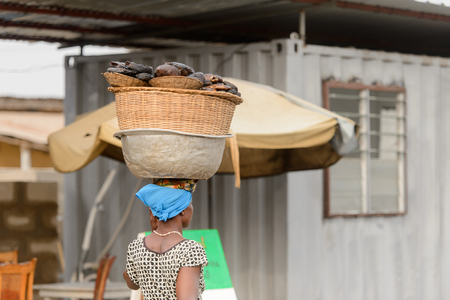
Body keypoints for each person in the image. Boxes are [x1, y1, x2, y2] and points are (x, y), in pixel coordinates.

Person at [123, 179, 208, 300]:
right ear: (182, 209)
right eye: (191, 203)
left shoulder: (137, 246)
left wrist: (154, 231)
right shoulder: (190, 250)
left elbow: (132, 283)